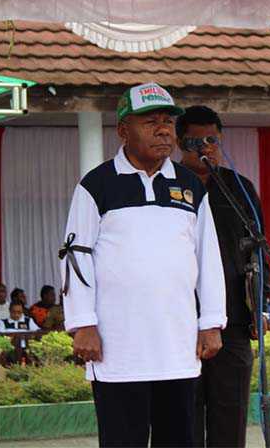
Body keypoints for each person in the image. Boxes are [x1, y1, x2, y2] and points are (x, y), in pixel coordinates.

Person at [62, 83, 226, 447]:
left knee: (179, 440)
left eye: (168, 121)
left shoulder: (189, 186)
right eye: (151, 121)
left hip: (177, 345)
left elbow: (208, 258)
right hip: (118, 348)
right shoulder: (96, 185)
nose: (164, 130)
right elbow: (76, 258)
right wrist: (82, 324)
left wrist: (211, 323)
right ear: (123, 130)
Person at [177, 105, 267, 448]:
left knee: (230, 411)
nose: (203, 147)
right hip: (181, 319)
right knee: (185, 410)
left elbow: (258, 249)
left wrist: (260, 303)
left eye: (211, 140)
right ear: (178, 143)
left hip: (234, 320)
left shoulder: (239, 188)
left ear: (221, 140)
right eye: (193, 141)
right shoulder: (167, 185)